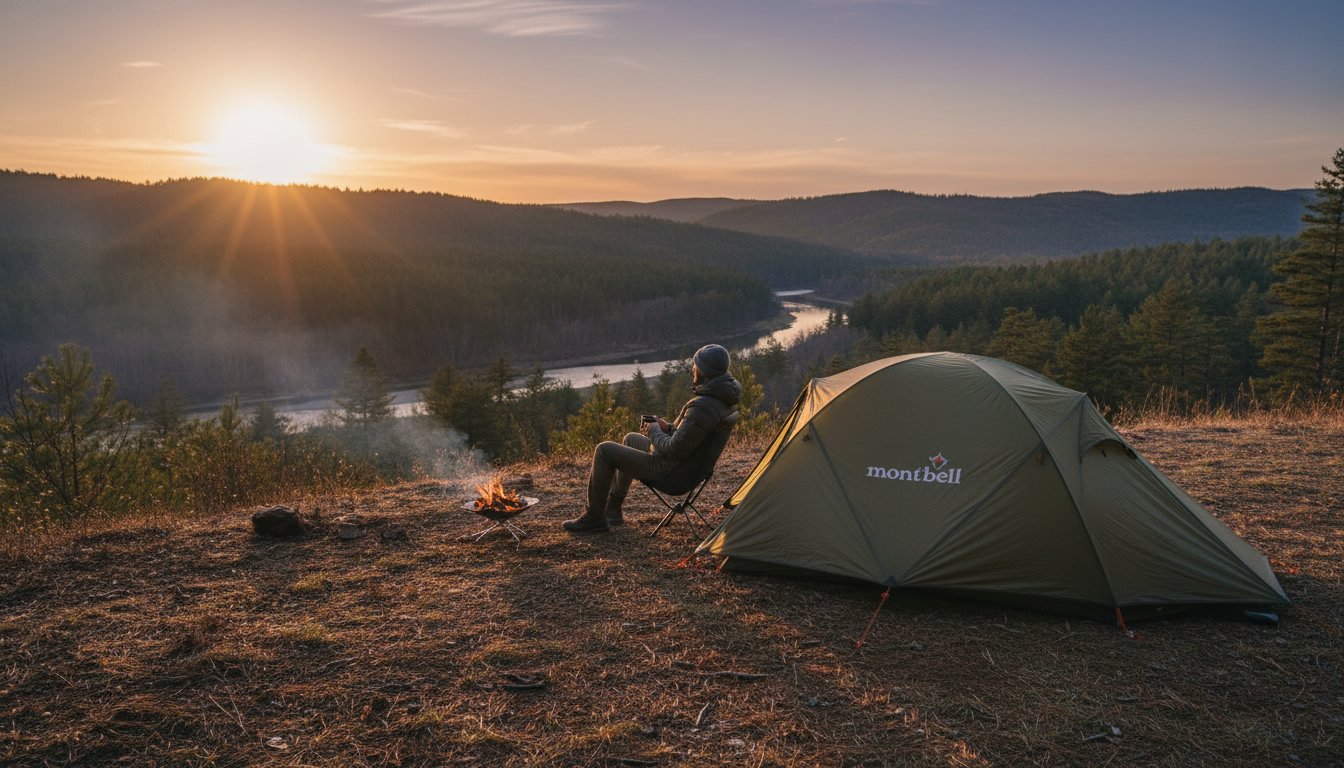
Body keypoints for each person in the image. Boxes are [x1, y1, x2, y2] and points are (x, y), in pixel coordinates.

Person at [563, 344, 742, 533]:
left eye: (696, 365)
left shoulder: (703, 406)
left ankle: (594, 517)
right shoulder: (720, 400)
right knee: (632, 439)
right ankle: (612, 510)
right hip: (688, 468)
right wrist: (669, 427)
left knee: (604, 450)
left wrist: (654, 430)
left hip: (672, 473)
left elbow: (674, 448)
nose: (693, 368)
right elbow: (692, 437)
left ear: (705, 373)